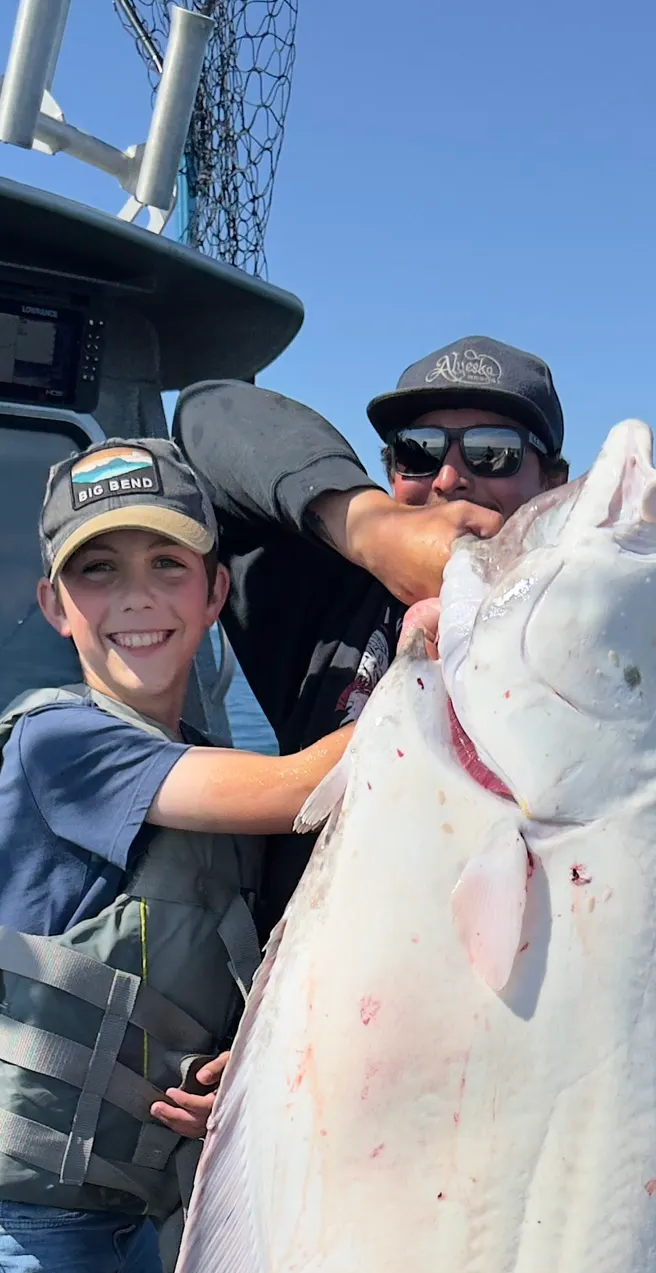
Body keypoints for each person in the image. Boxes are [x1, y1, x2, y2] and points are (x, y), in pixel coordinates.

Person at [0, 437, 353, 1273]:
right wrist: (449, 657)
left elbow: (205, 969)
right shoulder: (62, 743)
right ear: (55, 606)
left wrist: (229, 1071)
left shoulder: (199, 761)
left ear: (215, 593)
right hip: (16, 1224)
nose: (136, 597)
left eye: (167, 565)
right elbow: (304, 789)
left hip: (125, 1216)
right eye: (97, 570)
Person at [174, 334, 569, 928]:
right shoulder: (332, 603)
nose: (449, 478)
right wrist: (370, 526)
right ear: (390, 472)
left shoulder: (590, 644)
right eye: (418, 451)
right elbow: (208, 412)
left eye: (493, 452)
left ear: (553, 484)